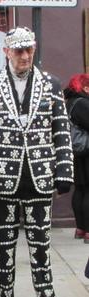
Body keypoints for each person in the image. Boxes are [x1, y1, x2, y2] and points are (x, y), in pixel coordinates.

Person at [0, 27, 74, 297]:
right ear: (7, 51)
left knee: (40, 244)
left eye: (29, 49)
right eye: (19, 50)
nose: (25, 55)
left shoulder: (51, 84)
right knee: (3, 245)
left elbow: (61, 130)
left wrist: (64, 170)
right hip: (3, 181)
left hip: (40, 177)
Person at [64, 74, 89, 242]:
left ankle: (80, 228)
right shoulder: (84, 104)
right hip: (87, 152)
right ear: (85, 87)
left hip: (77, 152)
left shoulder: (70, 103)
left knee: (80, 189)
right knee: (88, 190)